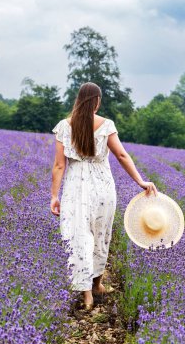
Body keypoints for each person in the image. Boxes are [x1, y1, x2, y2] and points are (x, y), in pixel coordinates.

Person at [50, 82, 158, 310]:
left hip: (74, 188)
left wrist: (53, 196)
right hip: (102, 187)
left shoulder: (63, 126)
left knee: (78, 237)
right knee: (101, 234)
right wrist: (140, 181)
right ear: (97, 101)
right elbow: (121, 154)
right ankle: (97, 284)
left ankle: (87, 294)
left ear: (78, 100)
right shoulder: (106, 125)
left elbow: (59, 166)